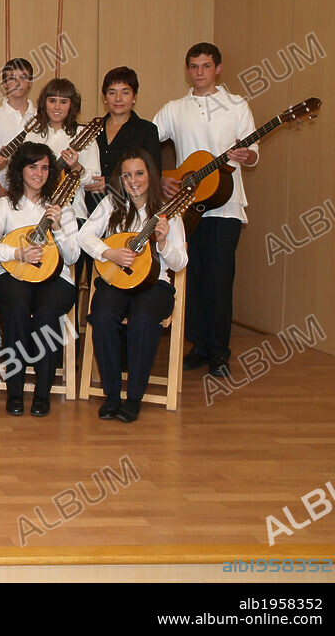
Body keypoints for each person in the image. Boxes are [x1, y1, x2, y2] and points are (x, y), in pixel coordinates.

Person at [154, 42, 258, 379]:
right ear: (187, 70)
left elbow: (253, 152)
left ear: (218, 68)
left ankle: (219, 352)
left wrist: (247, 156)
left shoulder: (237, 105)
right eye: (193, 67)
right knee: (191, 279)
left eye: (205, 66)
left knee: (219, 280)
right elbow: (146, 140)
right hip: (187, 207)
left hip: (225, 206)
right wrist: (162, 179)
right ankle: (197, 347)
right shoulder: (174, 108)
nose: (199, 72)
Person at [78, 150, 188, 422]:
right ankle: (112, 395)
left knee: (142, 319)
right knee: (102, 316)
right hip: (116, 280)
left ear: (150, 175)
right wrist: (108, 252)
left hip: (154, 285)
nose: (133, 180)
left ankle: (134, 397)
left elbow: (180, 262)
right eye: (126, 175)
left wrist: (163, 243)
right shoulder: (111, 204)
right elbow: (83, 235)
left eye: (139, 173)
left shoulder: (167, 211)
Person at [0, 142, 80, 417]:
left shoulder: (61, 207)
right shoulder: (5, 205)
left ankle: (42, 393)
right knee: (18, 310)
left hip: (56, 279)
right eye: (33, 166)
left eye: (45, 167)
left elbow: (72, 256)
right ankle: (15, 391)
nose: (39, 173)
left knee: (47, 314)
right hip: (13, 275)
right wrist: (15, 252)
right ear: (20, 169)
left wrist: (58, 230)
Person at [89, 66, 162, 216]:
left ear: (134, 96)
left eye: (125, 92)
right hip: (91, 206)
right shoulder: (91, 129)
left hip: (129, 208)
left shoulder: (147, 130)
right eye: (112, 92)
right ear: (104, 97)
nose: (118, 98)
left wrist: (109, 183)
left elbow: (154, 174)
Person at [32, 77, 104, 221]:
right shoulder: (32, 136)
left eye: (63, 102)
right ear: (44, 103)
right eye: (52, 101)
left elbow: (94, 183)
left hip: (72, 214)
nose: (57, 107)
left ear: (72, 105)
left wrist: (76, 167)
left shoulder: (82, 134)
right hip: (34, 212)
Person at [0, 57, 36, 178]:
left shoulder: (41, 118)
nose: (18, 83)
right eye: (12, 78)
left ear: (30, 82)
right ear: (5, 84)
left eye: (23, 77)